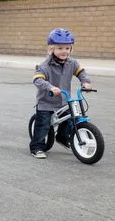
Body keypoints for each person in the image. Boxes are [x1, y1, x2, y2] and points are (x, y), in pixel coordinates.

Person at [30, 28, 92, 159]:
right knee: (43, 125)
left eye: (67, 48)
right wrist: (50, 87)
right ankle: (37, 147)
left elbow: (81, 72)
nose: (64, 51)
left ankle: (63, 138)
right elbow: (38, 80)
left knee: (71, 119)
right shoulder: (44, 65)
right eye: (60, 48)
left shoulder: (72, 63)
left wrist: (85, 82)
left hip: (64, 100)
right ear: (52, 49)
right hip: (46, 102)